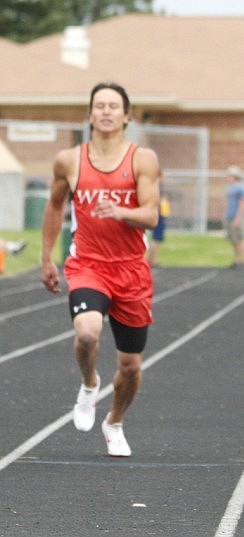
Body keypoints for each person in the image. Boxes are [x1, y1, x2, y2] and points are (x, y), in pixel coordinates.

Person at [40, 81, 160, 457]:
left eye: (114, 106)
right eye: (99, 106)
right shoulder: (69, 160)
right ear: (90, 114)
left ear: (126, 116)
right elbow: (56, 206)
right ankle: (89, 383)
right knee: (88, 333)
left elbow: (152, 215)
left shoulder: (143, 159)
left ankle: (115, 421)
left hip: (130, 271)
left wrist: (121, 211)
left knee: (131, 367)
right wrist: (46, 257)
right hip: (88, 264)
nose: (106, 111)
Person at [224, 165, 244, 268]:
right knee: (233, 240)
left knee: (240, 239)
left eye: (229, 175)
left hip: (236, 217)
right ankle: (237, 260)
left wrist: (238, 218)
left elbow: (242, 203)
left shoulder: (240, 187)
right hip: (229, 216)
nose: (227, 177)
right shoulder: (230, 187)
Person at [147, 169, 170, 268]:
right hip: (159, 218)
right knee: (156, 239)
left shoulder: (159, 189)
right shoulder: (157, 189)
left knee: (156, 239)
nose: (164, 179)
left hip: (160, 217)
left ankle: (152, 259)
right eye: (163, 177)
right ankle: (151, 260)